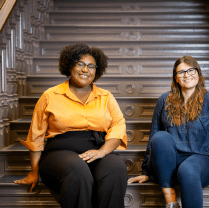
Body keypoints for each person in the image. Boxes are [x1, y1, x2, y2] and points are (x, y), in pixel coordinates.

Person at [128, 55, 209, 208]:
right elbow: (153, 139)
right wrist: (145, 171)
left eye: (191, 70)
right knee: (160, 137)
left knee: (187, 169)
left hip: (200, 163)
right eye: (181, 72)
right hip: (168, 166)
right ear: (176, 78)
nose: (186, 75)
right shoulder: (164, 100)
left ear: (198, 74)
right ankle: (171, 202)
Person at [14, 42, 128, 208]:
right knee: (77, 171)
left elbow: (118, 127)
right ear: (69, 66)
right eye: (79, 64)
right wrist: (34, 171)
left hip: (96, 150)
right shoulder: (50, 95)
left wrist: (102, 152)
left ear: (97, 70)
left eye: (91, 66)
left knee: (116, 168)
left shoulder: (106, 96)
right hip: (59, 154)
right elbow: (36, 136)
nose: (85, 70)